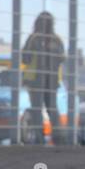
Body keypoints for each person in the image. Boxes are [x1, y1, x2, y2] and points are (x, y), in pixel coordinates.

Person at [22, 11, 65, 144]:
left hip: (36, 80)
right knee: (52, 109)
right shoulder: (57, 40)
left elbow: (25, 58)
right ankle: (58, 138)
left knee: (37, 109)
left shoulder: (33, 38)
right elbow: (62, 58)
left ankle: (39, 139)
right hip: (51, 81)